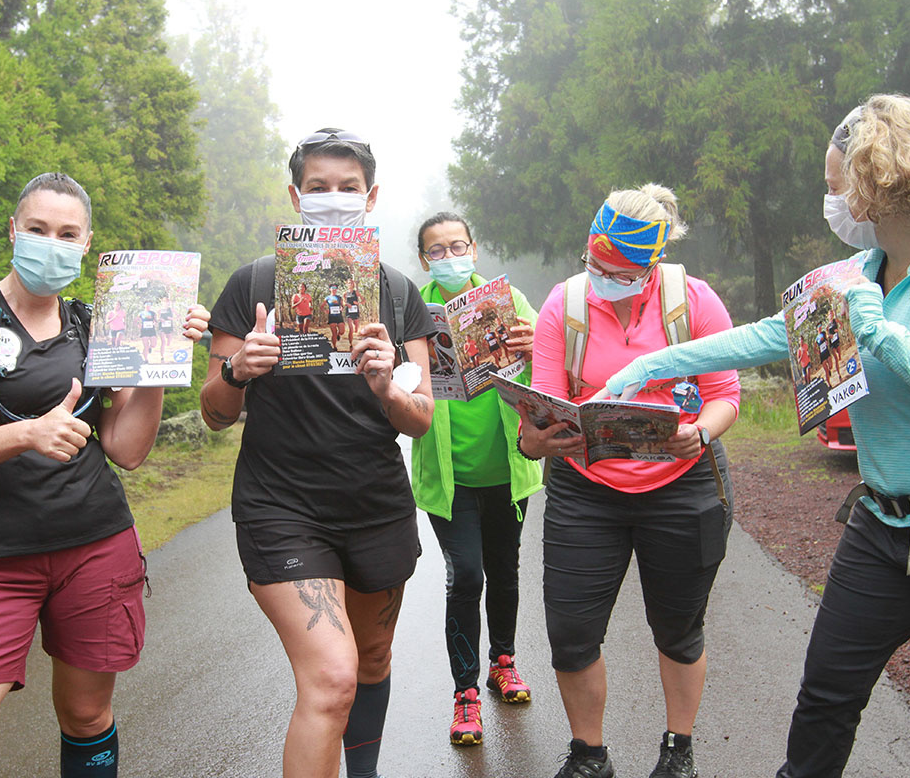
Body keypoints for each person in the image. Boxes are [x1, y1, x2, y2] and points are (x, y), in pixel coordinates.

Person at [605, 95, 910, 778]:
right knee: (825, 697)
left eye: (835, 185)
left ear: (877, 179)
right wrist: (651, 365)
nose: (831, 203)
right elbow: (760, 337)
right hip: (881, 524)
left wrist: (878, 333)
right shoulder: (851, 277)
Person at [0, 172, 210, 778]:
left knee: (87, 716)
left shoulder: (97, 323)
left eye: (68, 234)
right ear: (13, 230)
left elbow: (127, 450)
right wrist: (26, 433)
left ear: (87, 243)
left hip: (96, 547)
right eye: (38, 228)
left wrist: (160, 360)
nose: (52, 243)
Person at [200, 128, 436, 778]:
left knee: (372, 661)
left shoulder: (397, 292)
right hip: (281, 508)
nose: (334, 198)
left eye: (348, 188)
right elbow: (215, 413)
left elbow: (420, 421)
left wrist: (387, 384)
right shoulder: (252, 283)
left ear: (371, 196)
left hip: (376, 506)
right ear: (295, 195)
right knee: (332, 678)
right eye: (319, 187)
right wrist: (239, 370)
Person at [517, 184, 739, 778]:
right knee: (570, 632)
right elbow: (544, 402)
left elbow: (725, 394)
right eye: (596, 266)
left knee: (678, 629)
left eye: (620, 273)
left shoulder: (694, 302)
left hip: (683, 484)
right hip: (586, 490)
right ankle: (589, 756)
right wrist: (536, 439)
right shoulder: (564, 304)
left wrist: (702, 432)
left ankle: (678, 752)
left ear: (652, 263)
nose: (604, 280)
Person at [409, 210, 541, 746]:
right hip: (450, 478)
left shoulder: (510, 302)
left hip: (507, 468)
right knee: (466, 576)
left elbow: (550, 370)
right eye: (436, 250)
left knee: (504, 570)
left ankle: (502, 662)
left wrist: (534, 347)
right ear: (424, 260)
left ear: (475, 248)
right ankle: (465, 692)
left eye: (457, 246)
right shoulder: (410, 310)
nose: (449, 256)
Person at [324, 283, 345, 349]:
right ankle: (334, 347)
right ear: (330, 289)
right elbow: (322, 306)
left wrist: (342, 308)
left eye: (335, 288)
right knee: (334, 333)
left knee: (342, 331)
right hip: (331, 316)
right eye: (332, 288)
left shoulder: (339, 297)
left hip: (339, 316)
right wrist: (325, 310)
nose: (334, 289)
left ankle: (339, 334)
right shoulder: (327, 298)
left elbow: (342, 305)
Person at [345, 277, 362, 344]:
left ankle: (356, 327)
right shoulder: (345, 293)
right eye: (349, 283)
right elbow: (343, 302)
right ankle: (351, 344)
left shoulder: (356, 292)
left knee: (356, 328)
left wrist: (358, 303)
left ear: (353, 284)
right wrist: (346, 304)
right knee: (351, 329)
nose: (350, 284)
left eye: (351, 283)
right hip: (349, 312)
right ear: (347, 284)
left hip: (355, 311)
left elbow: (363, 300)